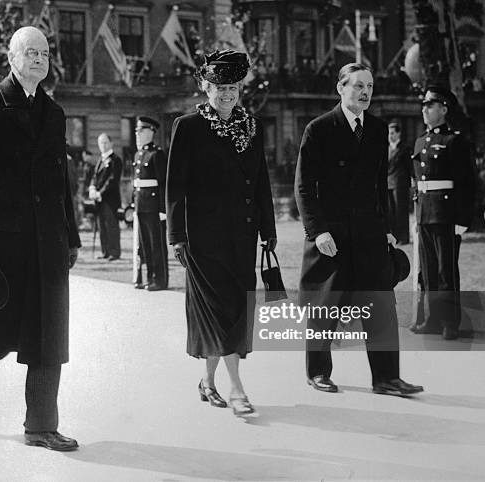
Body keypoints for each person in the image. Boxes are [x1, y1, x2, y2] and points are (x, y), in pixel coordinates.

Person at [0, 26, 81, 451]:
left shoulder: (55, 113)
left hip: (49, 245)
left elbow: (62, 184)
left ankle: (41, 426)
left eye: (44, 52)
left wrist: (72, 236)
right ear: (11, 57)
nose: (40, 59)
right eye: (31, 52)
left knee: (48, 338)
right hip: (2, 248)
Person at [295, 63, 423, 396]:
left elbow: (380, 185)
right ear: (341, 88)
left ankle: (387, 378)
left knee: (381, 306)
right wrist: (317, 231)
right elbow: (304, 186)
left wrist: (387, 228)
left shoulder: (378, 129)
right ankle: (317, 372)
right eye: (357, 86)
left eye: (369, 86)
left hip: (369, 233)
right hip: (331, 236)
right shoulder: (319, 129)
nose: (365, 92)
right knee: (325, 305)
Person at [166, 50, 277, 417]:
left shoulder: (252, 125)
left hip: (242, 237)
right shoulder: (188, 126)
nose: (226, 94)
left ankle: (207, 382)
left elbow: (261, 181)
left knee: (234, 311)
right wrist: (176, 236)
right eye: (218, 87)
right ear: (205, 87)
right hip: (201, 240)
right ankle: (237, 388)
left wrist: (269, 230)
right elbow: (175, 186)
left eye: (232, 87)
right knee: (216, 311)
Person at [409, 84, 475, 340]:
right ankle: (433, 319)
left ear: (444, 109)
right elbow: (417, 182)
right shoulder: (420, 141)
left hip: (446, 214)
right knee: (428, 269)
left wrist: (462, 219)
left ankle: (450, 322)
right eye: (424, 106)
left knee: (446, 270)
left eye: (431, 105)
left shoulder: (454, 141)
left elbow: (466, 182)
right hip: (425, 213)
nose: (425, 110)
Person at [133, 116, 168, 290]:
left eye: (141, 131)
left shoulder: (157, 154)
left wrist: (163, 209)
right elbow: (136, 183)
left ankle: (159, 279)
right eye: (137, 131)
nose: (137, 134)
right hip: (141, 205)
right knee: (144, 243)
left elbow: (163, 183)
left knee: (156, 244)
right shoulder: (139, 154)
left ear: (150, 132)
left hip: (154, 207)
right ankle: (147, 277)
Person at [89, 133, 122, 260]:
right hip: (99, 200)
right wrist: (92, 188)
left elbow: (112, 180)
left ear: (111, 143)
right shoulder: (100, 160)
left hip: (110, 199)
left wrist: (100, 193)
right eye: (100, 143)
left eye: (105, 142)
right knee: (101, 226)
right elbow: (94, 177)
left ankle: (114, 252)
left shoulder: (116, 160)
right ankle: (105, 252)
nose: (103, 145)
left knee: (111, 225)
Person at [387, 121, 412, 244]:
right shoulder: (386, 149)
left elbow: (409, 167)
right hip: (388, 183)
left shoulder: (405, 149)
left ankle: (404, 238)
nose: (390, 136)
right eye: (388, 133)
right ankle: (394, 237)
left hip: (400, 184)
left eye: (392, 133)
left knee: (400, 211)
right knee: (390, 212)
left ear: (398, 134)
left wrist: (410, 181)